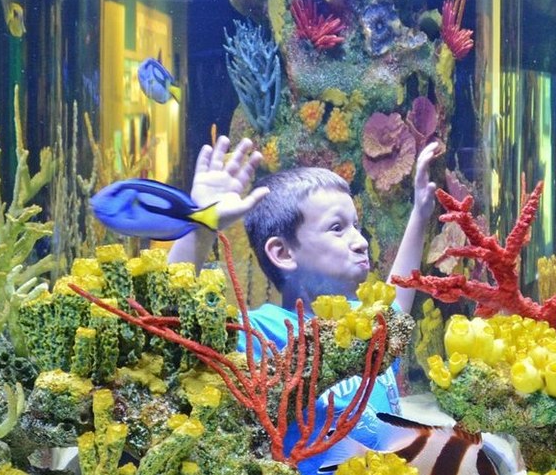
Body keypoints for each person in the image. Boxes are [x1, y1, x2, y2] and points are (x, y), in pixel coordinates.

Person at [168, 135, 439, 473]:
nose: (360, 241)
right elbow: (169, 321)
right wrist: (199, 226)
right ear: (283, 253)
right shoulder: (262, 332)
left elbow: (397, 300)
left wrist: (420, 213)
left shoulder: (368, 324)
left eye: (356, 225)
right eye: (337, 228)